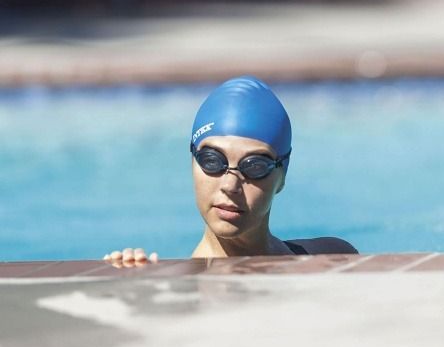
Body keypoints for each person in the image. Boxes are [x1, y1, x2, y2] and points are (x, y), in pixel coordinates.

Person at [105, 76, 357, 267]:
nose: (230, 185)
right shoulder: (173, 293)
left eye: (254, 166)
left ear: (282, 176)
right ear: (193, 162)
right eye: (212, 161)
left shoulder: (335, 257)